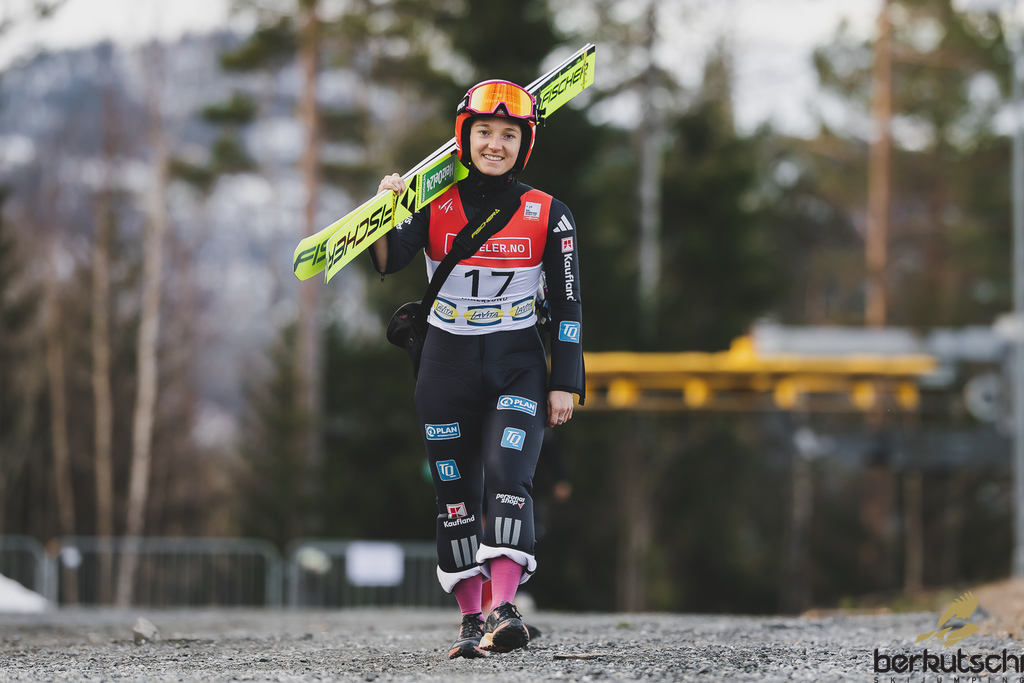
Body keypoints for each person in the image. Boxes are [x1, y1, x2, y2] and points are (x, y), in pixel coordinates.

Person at [369, 79, 585, 659]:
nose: (495, 144)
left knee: (509, 477)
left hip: (518, 364)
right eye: (484, 132)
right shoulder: (433, 203)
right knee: (456, 496)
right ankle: (471, 621)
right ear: (464, 138)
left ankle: (504, 608)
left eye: (508, 135)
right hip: (446, 365)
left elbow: (568, 306)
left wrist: (565, 382)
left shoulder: (551, 214)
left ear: (524, 145)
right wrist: (385, 209)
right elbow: (389, 260)